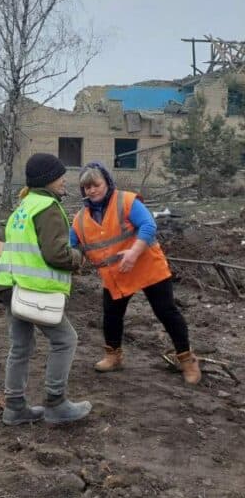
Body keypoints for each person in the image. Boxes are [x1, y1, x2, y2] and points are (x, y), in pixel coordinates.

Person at [70, 161, 200, 384]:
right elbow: (70, 246)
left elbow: (149, 226)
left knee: (166, 312)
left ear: (107, 183)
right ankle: (113, 356)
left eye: (95, 185)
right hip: (116, 274)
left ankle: (187, 359)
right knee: (111, 316)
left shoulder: (127, 201)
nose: (92, 190)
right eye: (86, 187)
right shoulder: (80, 220)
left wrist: (133, 252)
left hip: (146, 266)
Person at [0, 154, 91, 425]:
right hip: (33, 288)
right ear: (48, 179)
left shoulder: (24, 207)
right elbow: (55, 255)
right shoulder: (48, 207)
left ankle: (14, 407)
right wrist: (78, 257)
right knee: (65, 340)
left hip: (10, 286)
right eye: (61, 176)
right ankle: (56, 403)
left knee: (20, 347)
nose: (65, 180)